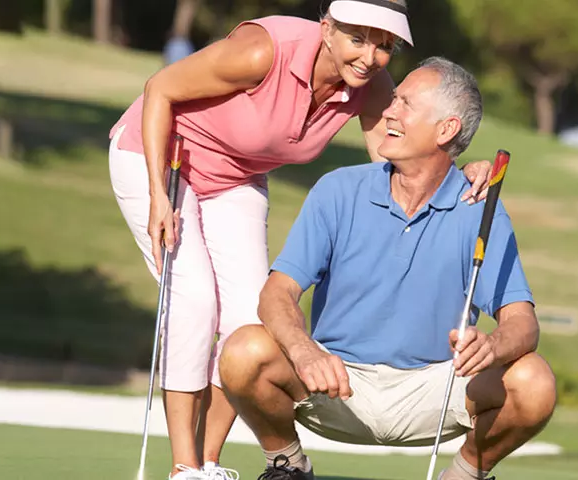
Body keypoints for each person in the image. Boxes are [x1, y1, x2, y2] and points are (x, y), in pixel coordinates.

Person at [108, 0, 494, 477]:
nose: (369, 57)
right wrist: (156, 196)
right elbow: (159, 89)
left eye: (384, 46)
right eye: (357, 38)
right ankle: (183, 467)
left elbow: (402, 165)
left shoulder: (372, 87)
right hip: (162, 156)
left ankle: (207, 463)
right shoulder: (262, 51)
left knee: (249, 317)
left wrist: (463, 171)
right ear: (326, 28)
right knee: (194, 299)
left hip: (237, 176)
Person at [218, 57, 558, 480]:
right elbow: (277, 293)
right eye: (393, 99)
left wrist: (492, 347)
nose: (388, 112)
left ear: (446, 130)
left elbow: (523, 323)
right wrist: (304, 349)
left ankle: (465, 474)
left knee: (534, 382)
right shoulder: (339, 189)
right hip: (335, 382)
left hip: (438, 388)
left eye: (406, 104)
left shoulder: (480, 209)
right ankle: (287, 465)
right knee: (242, 351)